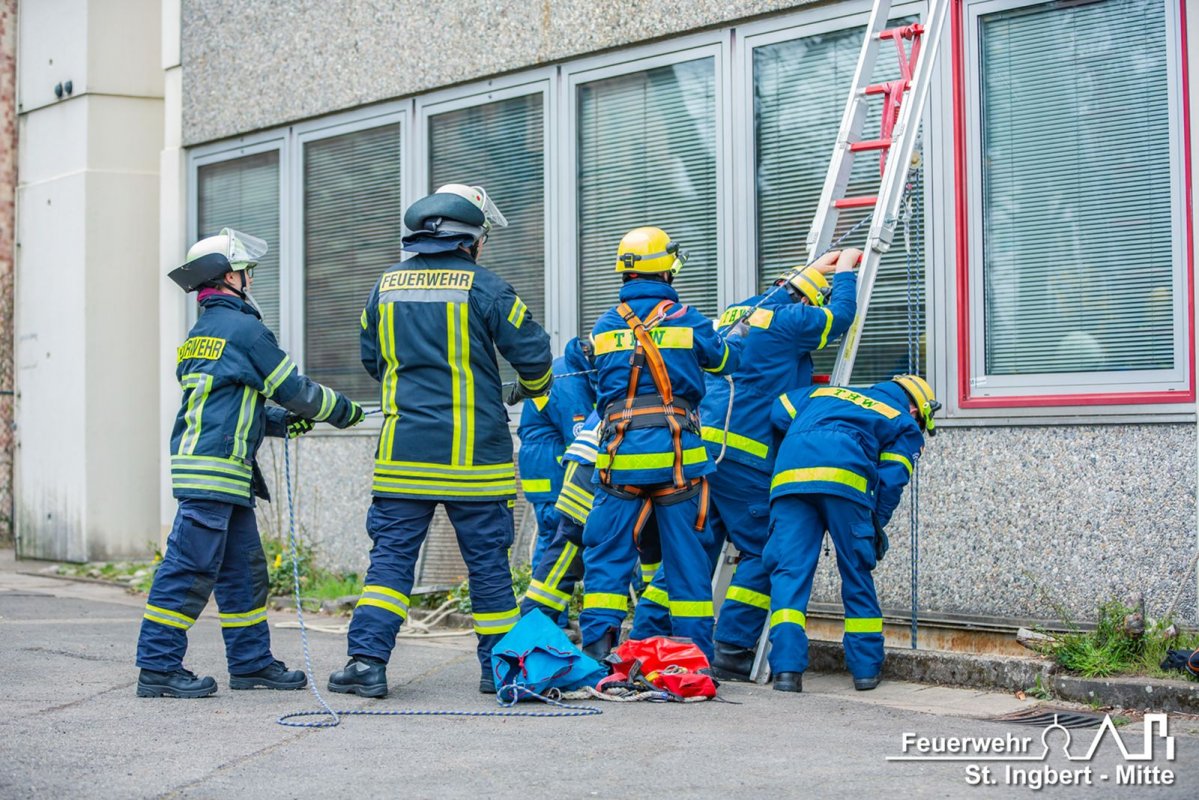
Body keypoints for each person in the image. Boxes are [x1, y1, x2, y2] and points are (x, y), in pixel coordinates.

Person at [329, 184, 553, 698]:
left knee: (390, 562)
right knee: (488, 567)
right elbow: (535, 356)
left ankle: (366, 664)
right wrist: (529, 389)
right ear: (471, 240)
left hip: (403, 455)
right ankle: (499, 669)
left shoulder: (384, 288)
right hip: (476, 459)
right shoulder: (487, 287)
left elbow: (373, 359)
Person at [138, 229, 363, 698]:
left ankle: (251, 663)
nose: (250, 279)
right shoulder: (245, 330)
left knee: (243, 571)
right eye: (245, 271)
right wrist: (345, 411)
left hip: (221, 468)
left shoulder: (204, 332)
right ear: (227, 276)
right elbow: (294, 389)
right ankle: (157, 667)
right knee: (188, 569)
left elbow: (229, 400)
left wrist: (278, 421)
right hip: (216, 469)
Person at [577, 226, 740, 662]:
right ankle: (693, 662)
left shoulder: (605, 324)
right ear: (668, 270)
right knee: (687, 563)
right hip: (678, 461)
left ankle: (597, 656)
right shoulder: (688, 317)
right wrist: (730, 336)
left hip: (619, 459)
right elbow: (726, 361)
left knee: (608, 557)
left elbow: (602, 389)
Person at [702, 248, 861, 681]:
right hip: (747, 454)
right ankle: (732, 650)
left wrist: (814, 268)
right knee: (763, 548)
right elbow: (841, 317)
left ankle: (662, 641)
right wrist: (847, 271)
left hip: (704, 450)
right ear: (807, 301)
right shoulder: (791, 319)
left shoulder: (739, 311)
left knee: (694, 549)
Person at [763, 374, 939, 693]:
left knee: (789, 573)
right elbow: (892, 481)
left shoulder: (823, 393)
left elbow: (779, 409)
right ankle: (865, 670)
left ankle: (786, 672)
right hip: (846, 484)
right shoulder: (903, 422)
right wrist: (875, 524)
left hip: (790, 481)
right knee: (856, 572)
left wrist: (804, 436)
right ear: (916, 410)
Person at [516, 337, 597, 587]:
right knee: (557, 537)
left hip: (544, 466)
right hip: (552, 471)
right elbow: (582, 440)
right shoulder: (570, 382)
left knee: (553, 537)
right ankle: (544, 608)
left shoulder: (572, 369)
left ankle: (545, 606)